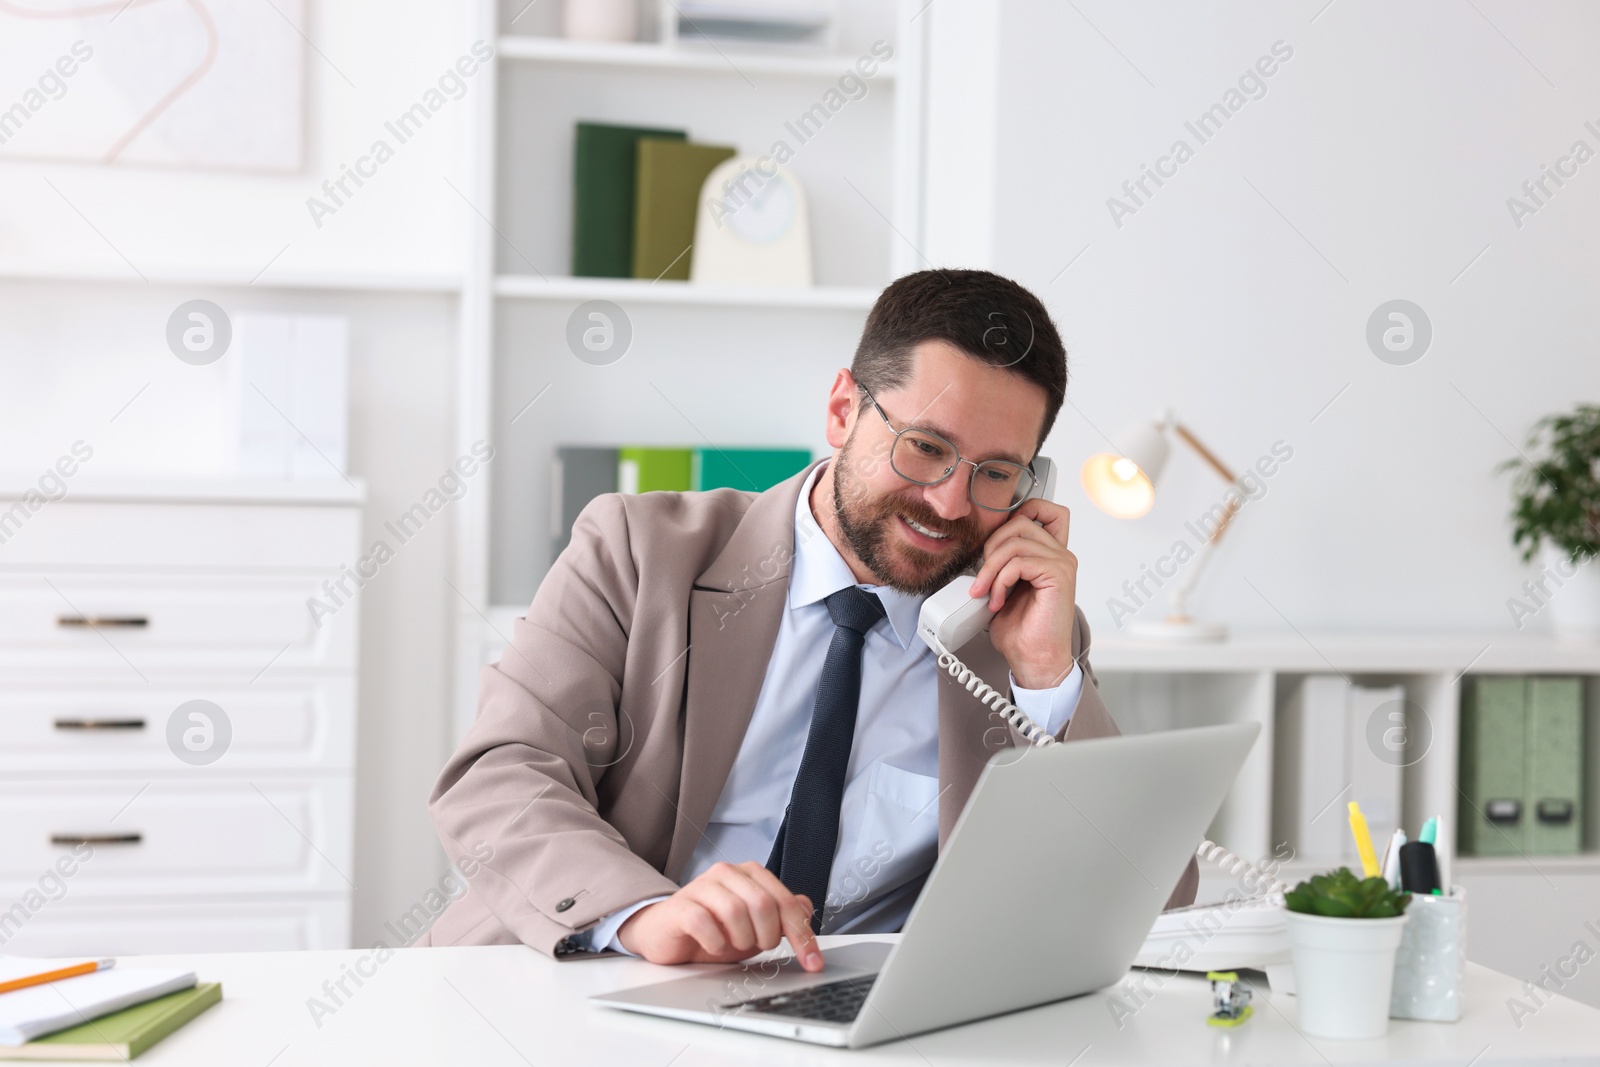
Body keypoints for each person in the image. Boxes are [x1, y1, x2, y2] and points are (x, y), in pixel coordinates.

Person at [425, 269, 1198, 969]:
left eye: (995, 472)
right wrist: (642, 912)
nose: (950, 502)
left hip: (851, 1022)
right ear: (841, 410)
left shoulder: (1018, 634)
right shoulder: (640, 550)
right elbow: (498, 777)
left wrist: (1045, 681)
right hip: (588, 982)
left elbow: (1154, 897)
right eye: (926, 446)